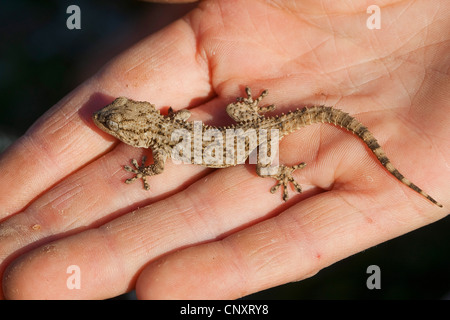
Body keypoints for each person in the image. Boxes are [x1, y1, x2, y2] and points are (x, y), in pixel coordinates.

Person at [0, 0, 448, 299]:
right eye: (112, 118)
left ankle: (283, 173)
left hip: (254, 144)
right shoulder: (166, 127)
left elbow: (153, 171)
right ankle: (277, 156)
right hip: (251, 132)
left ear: (138, 130)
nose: (106, 118)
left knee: (264, 168)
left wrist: (143, 173)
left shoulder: (160, 141)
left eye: (114, 117)